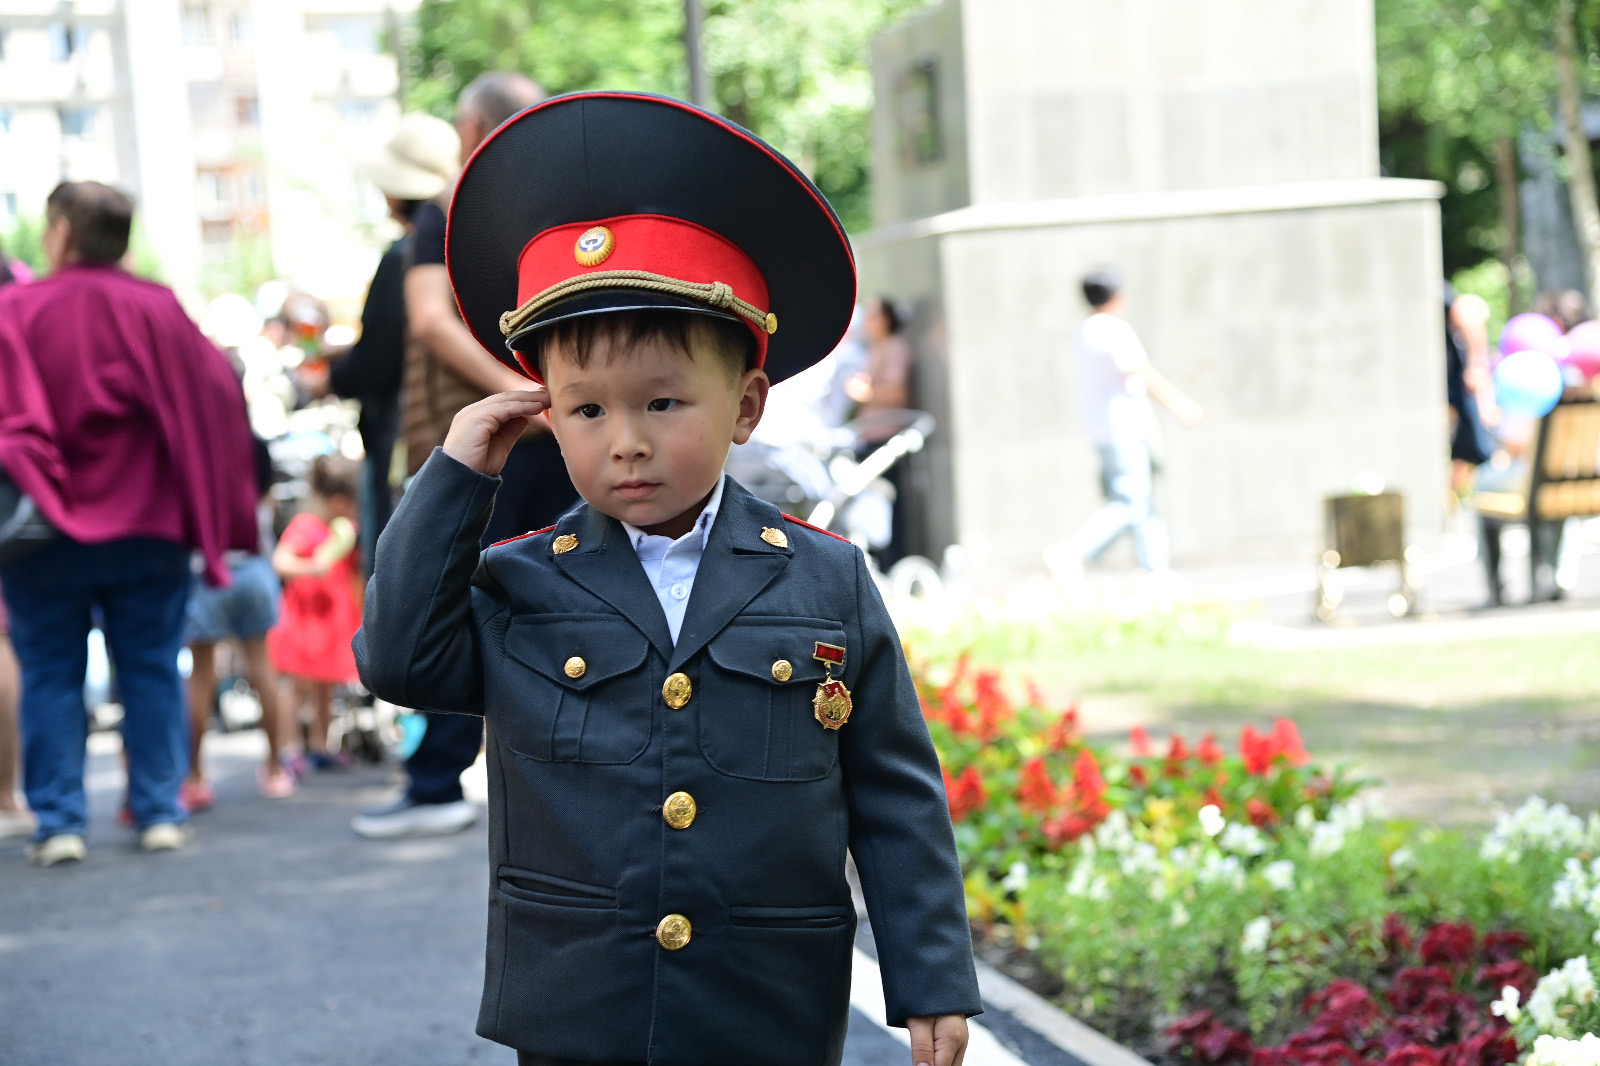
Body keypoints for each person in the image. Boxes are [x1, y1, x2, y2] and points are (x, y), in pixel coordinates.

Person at [354, 92, 980, 1066]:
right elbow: (397, 659)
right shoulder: (520, 585)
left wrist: (930, 975)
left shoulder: (826, 579)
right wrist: (455, 473)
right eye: (587, 410)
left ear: (745, 403)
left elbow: (893, 791)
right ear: (545, 415)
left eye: (662, 400)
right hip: (578, 1009)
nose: (628, 442)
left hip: (764, 1008)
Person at [0, 181, 257, 865]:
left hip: (42, 530)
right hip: (150, 523)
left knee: (50, 672)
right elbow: (218, 402)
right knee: (149, 667)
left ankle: (58, 822)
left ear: (59, 231)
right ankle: (159, 809)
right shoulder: (159, 308)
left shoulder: (16, 309)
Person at [354, 72, 580, 840]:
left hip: (497, 440)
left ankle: (435, 785)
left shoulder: (454, 208)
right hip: (571, 432)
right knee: (574, 598)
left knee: (463, 598)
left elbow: (430, 321)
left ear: (474, 128)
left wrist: (524, 397)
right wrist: (565, 397)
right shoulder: (574, 202)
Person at [309, 113, 460, 573]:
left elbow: (379, 358)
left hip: (408, 432)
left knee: (396, 569)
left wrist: (330, 376)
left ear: (395, 191)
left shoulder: (407, 256)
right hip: (455, 429)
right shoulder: (467, 241)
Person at [1047, 269, 1202, 592]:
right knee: (1131, 501)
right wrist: (1179, 404)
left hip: (1108, 430)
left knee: (1143, 501)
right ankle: (1074, 552)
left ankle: (1155, 570)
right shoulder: (1112, 329)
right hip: (1126, 429)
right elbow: (1140, 371)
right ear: (1117, 295)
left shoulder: (1086, 331)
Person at [183, 435, 295, 803]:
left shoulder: (196, 440)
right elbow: (268, 502)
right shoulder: (254, 446)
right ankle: (276, 769)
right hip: (253, 567)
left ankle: (195, 776)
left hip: (207, 568)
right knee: (262, 667)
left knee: (201, 674)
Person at [268, 457, 362, 771]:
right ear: (339, 501)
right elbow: (281, 561)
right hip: (304, 620)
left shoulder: (345, 533)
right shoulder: (307, 527)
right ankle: (290, 748)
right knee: (296, 686)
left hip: (330, 623)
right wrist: (312, 567)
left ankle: (322, 746)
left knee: (326, 686)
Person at [846, 295, 915, 566]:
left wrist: (866, 394)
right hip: (869, 436)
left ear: (885, 318)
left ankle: (894, 561)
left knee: (889, 502)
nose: (866, 321)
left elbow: (898, 393)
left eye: (872, 315)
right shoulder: (873, 348)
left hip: (887, 438)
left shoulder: (895, 347)